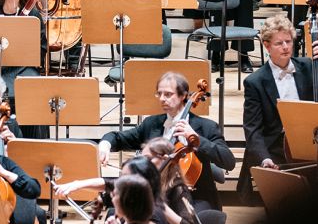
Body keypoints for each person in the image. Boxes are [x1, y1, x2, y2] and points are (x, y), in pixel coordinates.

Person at [239, 15, 318, 199]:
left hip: (311, 142)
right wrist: (265, 158)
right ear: (266, 45)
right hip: (277, 147)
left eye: (288, 41)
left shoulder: (308, 67)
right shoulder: (255, 82)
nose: (285, 47)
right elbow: (253, 130)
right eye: (279, 43)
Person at [98, 71, 235, 210]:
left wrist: (198, 140)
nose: (162, 99)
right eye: (159, 94)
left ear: (183, 96)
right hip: (156, 195)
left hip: (195, 197)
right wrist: (105, 145)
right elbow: (118, 138)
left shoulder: (206, 127)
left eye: (168, 94)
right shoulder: (152, 124)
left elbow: (229, 162)